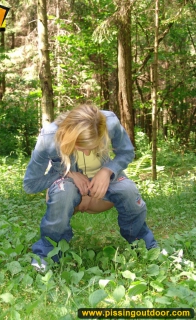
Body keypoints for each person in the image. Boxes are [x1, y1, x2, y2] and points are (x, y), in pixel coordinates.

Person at [23, 104, 158, 271]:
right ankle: (47, 253)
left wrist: (107, 171)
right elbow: (30, 184)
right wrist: (67, 173)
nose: (87, 153)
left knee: (128, 190)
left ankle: (146, 247)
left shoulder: (110, 122)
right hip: (68, 187)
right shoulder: (50, 137)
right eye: (80, 147)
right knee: (63, 193)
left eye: (93, 147)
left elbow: (127, 152)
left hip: (105, 184)